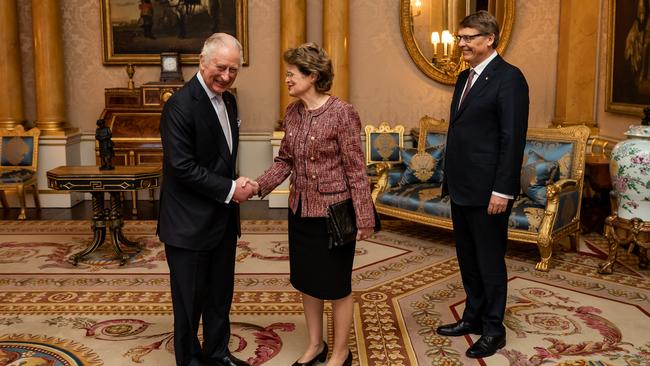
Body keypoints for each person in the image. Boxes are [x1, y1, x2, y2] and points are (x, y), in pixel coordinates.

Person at [252, 43, 375, 366]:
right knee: (308, 281)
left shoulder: (342, 113)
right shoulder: (292, 113)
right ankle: (315, 344)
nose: (287, 80)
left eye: (292, 74)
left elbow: (356, 169)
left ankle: (340, 352)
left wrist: (364, 217)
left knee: (336, 285)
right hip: (301, 211)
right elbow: (284, 161)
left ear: (313, 76)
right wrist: (257, 185)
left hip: (334, 215)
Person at [436, 11, 529, 359]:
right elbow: (461, 132)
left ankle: (494, 329)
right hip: (462, 186)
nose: (461, 44)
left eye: (467, 37)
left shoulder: (510, 79)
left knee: (490, 262)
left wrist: (502, 191)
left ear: (489, 38)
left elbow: (512, 138)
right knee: (468, 259)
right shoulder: (464, 78)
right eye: (459, 37)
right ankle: (472, 317)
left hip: (490, 191)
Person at [158, 33, 253, 366]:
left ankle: (217, 353)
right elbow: (181, 167)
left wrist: (233, 185)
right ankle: (190, 361)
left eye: (234, 70)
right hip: (188, 224)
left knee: (219, 297)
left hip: (222, 221)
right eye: (221, 67)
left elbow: (221, 159)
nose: (226, 76)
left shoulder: (229, 100)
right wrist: (230, 189)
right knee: (188, 305)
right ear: (202, 61)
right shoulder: (179, 105)